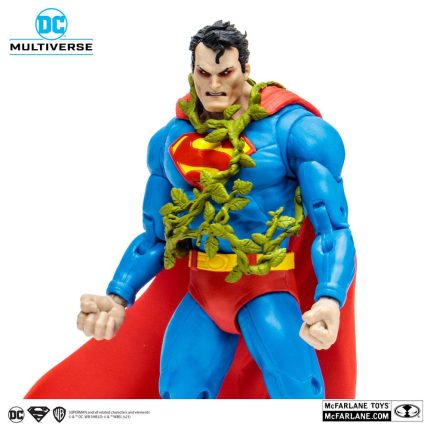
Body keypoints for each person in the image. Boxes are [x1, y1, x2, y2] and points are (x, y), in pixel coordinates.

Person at [26, 21, 356, 400]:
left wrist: (329, 297)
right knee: (178, 391)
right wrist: (117, 296)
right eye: (204, 73)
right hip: (203, 291)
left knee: (298, 391)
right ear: (192, 72)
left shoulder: (295, 132)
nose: (214, 85)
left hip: (265, 286)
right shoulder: (171, 139)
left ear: (245, 69)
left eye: (225, 73)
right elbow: (156, 236)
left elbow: (332, 228)